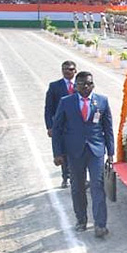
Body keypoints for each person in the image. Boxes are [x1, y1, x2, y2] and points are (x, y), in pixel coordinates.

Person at [50, 71, 115, 238]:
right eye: (81, 84)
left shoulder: (102, 101)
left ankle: (100, 225)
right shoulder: (66, 102)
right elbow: (57, 129)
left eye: (88, 83)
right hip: (74, 152)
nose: (85, 86)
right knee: (78, 187)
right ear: (75, 86)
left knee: (97, 186)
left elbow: (107, 128)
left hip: (96, 151)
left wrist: (111, 152)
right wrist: (58, 153)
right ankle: (81, 220)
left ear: (93, 84)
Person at [44, 60, 78, 188]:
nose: (67, 71)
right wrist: (50, 126)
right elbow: (48, 108)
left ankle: (79, 177)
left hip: (77, 126)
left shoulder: (80, 86)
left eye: (70, 69)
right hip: (61, 126)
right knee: (63, 152)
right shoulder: (54, 86)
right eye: (64, 69)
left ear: (75, 71)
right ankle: (66, 177)